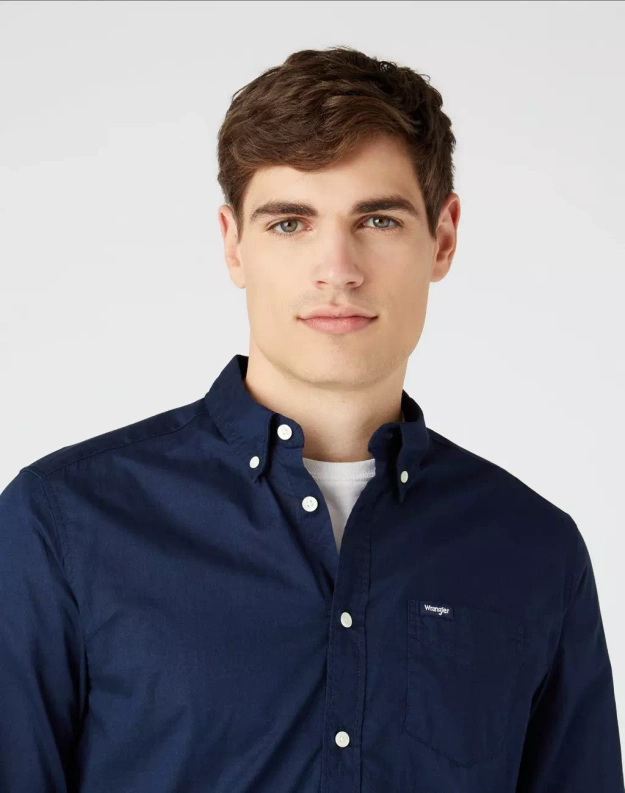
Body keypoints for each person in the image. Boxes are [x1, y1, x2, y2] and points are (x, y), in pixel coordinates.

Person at [0, 45, 622, 793]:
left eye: (378, 220)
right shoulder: (61, 524)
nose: (338, 269)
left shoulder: (534, 551)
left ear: (443, 237)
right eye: (290, 223)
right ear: (233, 244)